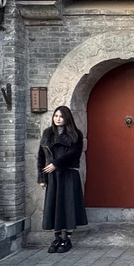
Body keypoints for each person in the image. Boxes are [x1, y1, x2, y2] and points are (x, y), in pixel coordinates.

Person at [37, 106, 88, 253]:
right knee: (54, 206)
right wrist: (41, 177)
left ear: (67, 118)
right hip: (52, 176)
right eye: (55, 116)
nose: (57, 119)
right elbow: (41, 156)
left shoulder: (75, 134)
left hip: (68, 174)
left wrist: (56, 164)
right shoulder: (47, 133)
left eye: (61, 116)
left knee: (69, 205)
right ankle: (57, 237)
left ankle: (67, 238)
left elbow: (74, 153)